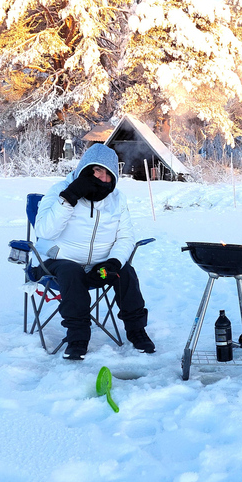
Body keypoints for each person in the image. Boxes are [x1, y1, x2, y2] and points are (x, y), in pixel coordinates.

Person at [34, 143, 155, 360]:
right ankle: (78, 337)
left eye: (108, 173)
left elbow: (125, 236)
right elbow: (44, 230)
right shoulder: (59, 190)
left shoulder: (117, 199)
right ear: (85, 169)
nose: (101, 177)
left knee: (125, 272)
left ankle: (137, 330)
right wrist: (69, 198)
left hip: (98, 267)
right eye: (96, 170)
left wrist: (114, 262)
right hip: (58, 261)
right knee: (72, 272)